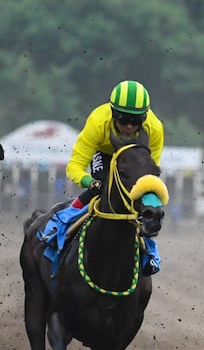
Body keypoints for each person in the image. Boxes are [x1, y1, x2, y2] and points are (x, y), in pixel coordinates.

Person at [47, 80, 165, 274]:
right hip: (105, 155)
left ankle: (150, 251)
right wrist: (90, 182)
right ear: (112, 114)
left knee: (145, 201)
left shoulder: (154, 128)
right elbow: (75, 167)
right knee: (103, 190)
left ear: (144, 118)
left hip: (136, 159)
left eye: (135, 121)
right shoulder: (97, 122)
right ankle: (60, 224)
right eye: (123, 119)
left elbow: (150, 173)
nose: (128, 126)